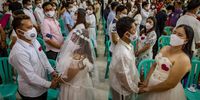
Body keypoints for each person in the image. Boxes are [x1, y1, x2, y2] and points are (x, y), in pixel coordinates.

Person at [137, 24, 194, 100]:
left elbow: (170, 84)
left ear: (186, 40)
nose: (175, 36)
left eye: (180, 35)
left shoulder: (183, 59)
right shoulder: (165, 48)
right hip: (151, 82)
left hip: (166, 91)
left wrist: (148, 89)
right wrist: (146, 81)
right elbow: (154, 65)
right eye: (174, 33)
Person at [9, 14, 59, 100]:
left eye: (32, 26)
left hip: (42, 86)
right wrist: (49, 84)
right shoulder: (19, 52)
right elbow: (30, 76)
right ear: (19, 31)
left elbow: (43, 57)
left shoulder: (34, 41)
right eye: (29, 27)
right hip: (32, 92)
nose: (33, 29)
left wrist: (51, 71)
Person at [56, 8, 95, 100]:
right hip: (81, 86)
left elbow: (67, 79)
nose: (70, 41)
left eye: (73, 38)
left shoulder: (76, 60)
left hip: (73, 90)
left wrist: (57, 80)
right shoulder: (86, 56)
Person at [109, 17, 140, 100]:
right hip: (122, 91)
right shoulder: (122, 53)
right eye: (134, 30)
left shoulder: (128, 45)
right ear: (127, 34)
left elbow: (130, 68)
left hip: (127, 85)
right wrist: (137, 89)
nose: (136, 32)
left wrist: (136, 81)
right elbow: (125, 78)